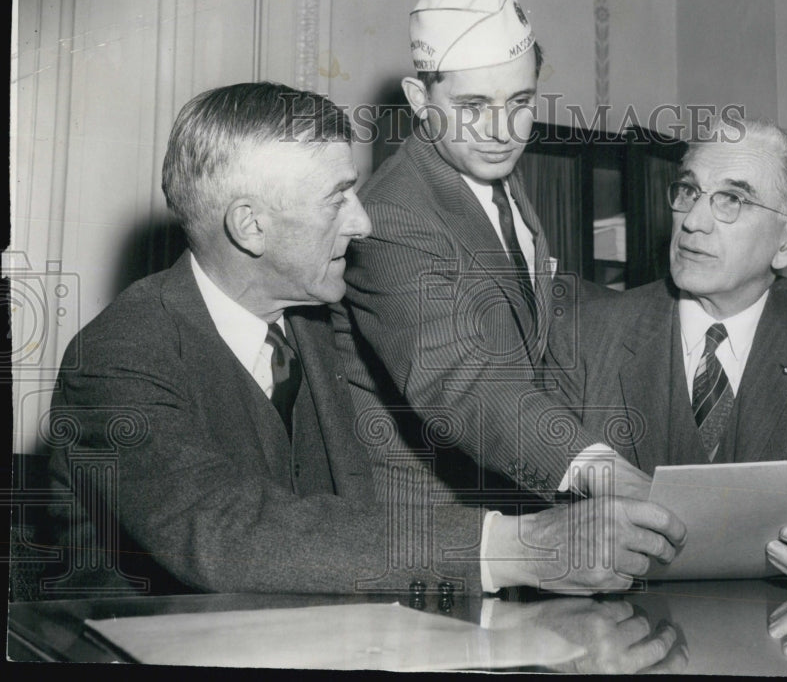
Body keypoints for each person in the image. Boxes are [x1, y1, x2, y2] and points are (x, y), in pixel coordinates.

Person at [43, 81, 684, 598]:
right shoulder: (119, 357)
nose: (364, 220)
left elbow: (459, 382)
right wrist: (516, 548)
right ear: (250, 226)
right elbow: (225, 534)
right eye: (338, 197)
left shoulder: (318, 321)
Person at [548, 118, 787, 583]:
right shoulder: (586, 332)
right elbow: (536, 506)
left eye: (733, 200)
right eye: (689, 192)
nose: (693, 222)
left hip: (783, 638)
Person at [340, 0, 645, 505]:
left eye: (521, 101)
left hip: (509, 489)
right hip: (432, 524)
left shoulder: (485, 172)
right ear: (420, 100)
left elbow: (527, 314)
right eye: (473, 105)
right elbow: (466, 381)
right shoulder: (392, 215)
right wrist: (594, 467)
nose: (503, 130)